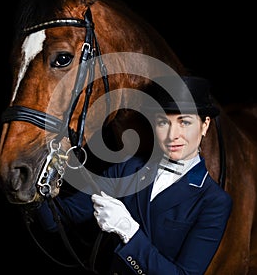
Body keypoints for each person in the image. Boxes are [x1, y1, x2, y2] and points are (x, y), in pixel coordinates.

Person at [35, 75, 232, 275]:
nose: (173, 135)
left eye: (185, 123)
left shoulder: (214, 201)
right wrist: (37, 180)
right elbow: (58, 219)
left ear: (205, 125)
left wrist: (129, 231)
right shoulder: (127, 170)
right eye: (163, 122)